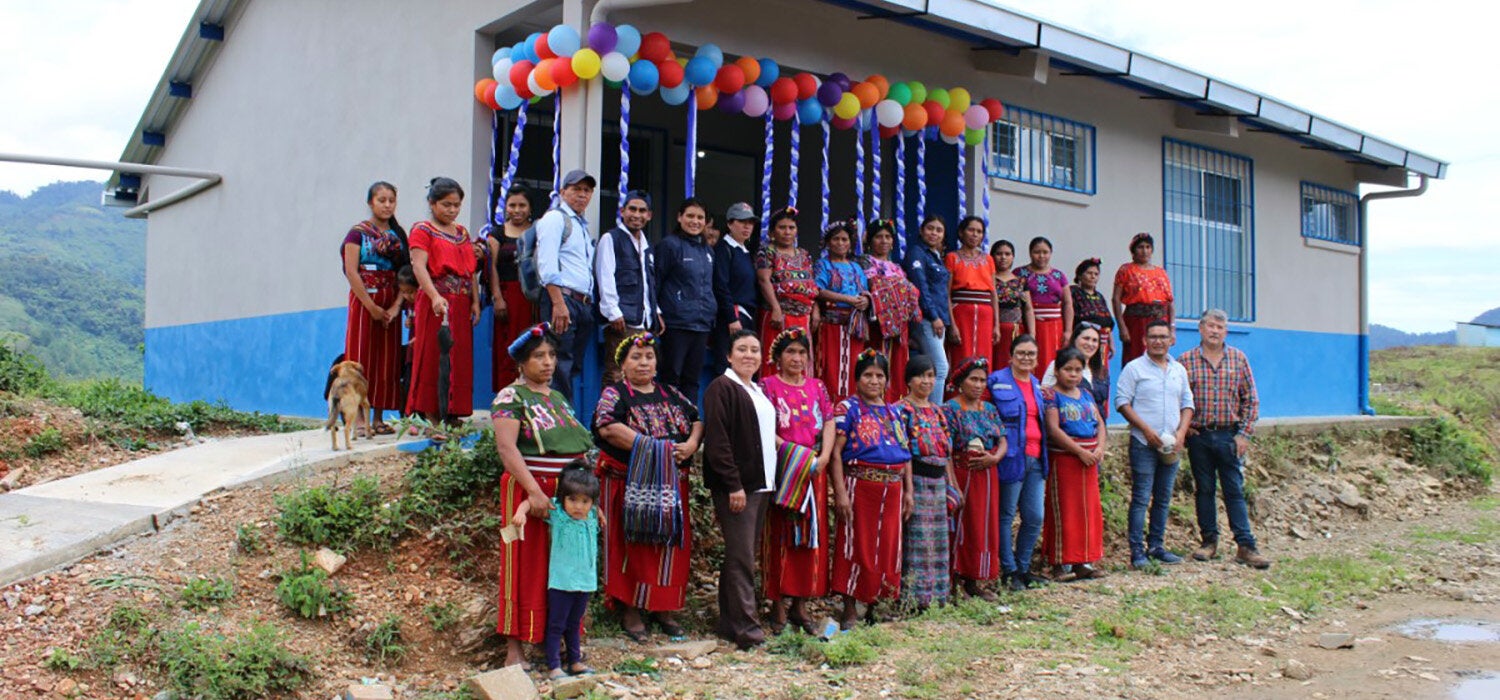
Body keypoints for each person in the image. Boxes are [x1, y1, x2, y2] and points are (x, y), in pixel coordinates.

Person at [492, 324, 594, 668]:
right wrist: (534, 492)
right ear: (522, 362)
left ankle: (561, 644)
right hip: (527, 490)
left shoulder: (558, 398)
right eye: (539, 356)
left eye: (551, 355)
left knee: (563, 569)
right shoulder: (510, 397)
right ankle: (514, 648)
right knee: (521, 562)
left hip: (566, 496)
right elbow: (507, 449)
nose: (548, 362)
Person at [592, 332, 703, 641]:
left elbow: (696, 419)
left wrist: (692, 443)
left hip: (671, 485)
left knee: (668, 545)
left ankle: (662, 607)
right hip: (631, 484)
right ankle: (629, 609)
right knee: (632, 545)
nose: (644, 362)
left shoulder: (670, 393)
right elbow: (608, 428)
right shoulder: (615, 394)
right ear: (622, 365)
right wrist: (655, 447)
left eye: (649, 357)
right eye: (636, 357)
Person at [702, 329, 777, 649]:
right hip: (739, 487)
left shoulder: (758, 391)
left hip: (762, 486)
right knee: (743, 557)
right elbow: (718, 443)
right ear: (729, 356)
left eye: (755, 350)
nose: (749, 355)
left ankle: (729, 623)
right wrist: (733, 485)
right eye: (742, 349)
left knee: (738, 555)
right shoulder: (722, 387)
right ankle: (748, 629)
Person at [1179, 309, 1270, 569]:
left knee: (1234, 490)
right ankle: (1209, 542)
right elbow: (1175, 398)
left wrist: (1244, 435)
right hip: (1200, 436)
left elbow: (1251, 400)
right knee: (1204, 490)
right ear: (1200, 329)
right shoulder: (1186, 361)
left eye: (1220, 327)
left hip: (1230, 436)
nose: (1215, 331)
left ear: (1226, 332)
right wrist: (1184, 429)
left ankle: (1246, 545)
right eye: (1210, 325)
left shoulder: (1238, 359)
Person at [759, 327, 836, 635]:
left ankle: (800, 604)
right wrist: (792, 453)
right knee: (780, 534)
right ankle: (777, 603)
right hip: (784, 469)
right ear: (778, 357)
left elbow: (829, 421)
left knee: (810, 537)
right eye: (790, 352)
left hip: (814, 470)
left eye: (802, 352)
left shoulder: (817, 387)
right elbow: (765, 426)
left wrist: (825, 457)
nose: (797, 358)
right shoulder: (767, 386)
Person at [830, 350, 912, 628]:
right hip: (860, 486)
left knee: (888, 547)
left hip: (892, 488)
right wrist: (840, 492)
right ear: (857, 379)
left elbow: (905, 453)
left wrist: (908, 491)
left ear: (888, 380)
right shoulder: (847, 409)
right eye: (868, 375)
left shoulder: (894, 412)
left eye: (879, 375)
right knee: (856, 545)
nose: (874, 381)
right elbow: (835, 454)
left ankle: (877, 603)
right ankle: (850, 607)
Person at [1115, 319, 1194, 570]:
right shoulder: (1134, 369)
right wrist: (1145, 430)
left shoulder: (1178, 370)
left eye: (1163, 336)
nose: (1159, 341)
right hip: (1143, 443)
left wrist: (1181, 432)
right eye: (1153, 337)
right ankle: (1137, 551)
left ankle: (1157, 546)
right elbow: (1122, 402)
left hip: (1172, 445)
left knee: (1162, 497)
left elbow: (1187, 403)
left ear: (1171, 340)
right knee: (1141, 496)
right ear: (1144, 341)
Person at [512, 462, 601, 679]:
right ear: (563, 498)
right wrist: (520, 513)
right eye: (572, 500)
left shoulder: (591, 515)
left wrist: (600, 513)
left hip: (585, 581)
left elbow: (597, 509)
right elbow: (529, 503)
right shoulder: (558, 514)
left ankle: (575, 661)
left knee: (574, 623)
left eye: (584, 501)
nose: (578, 506)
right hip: (561, 582)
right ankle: (554, 666)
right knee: (556, 624)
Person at [406, 177, 480, 426]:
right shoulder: (422, 230)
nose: (452, 210)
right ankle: (432, 414)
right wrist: (434, 296)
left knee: (459, 357)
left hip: (461, 302)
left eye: (456, 205)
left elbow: (470, 271)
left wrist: (475, 301)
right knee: (434, 355)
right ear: (432, 203)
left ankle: (453, 411)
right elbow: (419, 266)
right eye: (446, 205)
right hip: (436, 302)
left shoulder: (462, 233)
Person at [341, 181, 406, 434]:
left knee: (387, 359)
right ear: (371, 202)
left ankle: (378, 417)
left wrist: (396, 306)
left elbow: (405, 273)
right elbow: (351, 270)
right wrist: (370, 306)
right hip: (364, 300)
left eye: (391, 200)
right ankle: (358, 418)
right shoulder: (357, 233)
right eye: (382, 200)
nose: (387, 205)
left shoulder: (398, 236)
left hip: (391, 300)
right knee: (361, 356)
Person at [1041, 348, 1109, 581]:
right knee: (1064, 511)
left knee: (1088, 511)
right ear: (1057, 371)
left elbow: (1099, 423)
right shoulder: (1050, 396)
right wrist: (1080, 451)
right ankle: (1060, 563)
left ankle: (1084, 561)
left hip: (1089, 461)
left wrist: (1099, 448)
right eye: (1067, 369)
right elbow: (1053, 429)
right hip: (1066, 459)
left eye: (1078, 370)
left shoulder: (1086, 395)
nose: (1073, 374)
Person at [987, 335, 1048, 591]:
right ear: (1010, 355)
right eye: (1021, 353)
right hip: (1010, 457)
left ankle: (1024, 567)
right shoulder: (996, 381)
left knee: (1035, 516)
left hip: (1036, 457)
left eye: (1031, 354)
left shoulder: (1036, 385)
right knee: (1006, 514)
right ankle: (1009, 570)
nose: (1026, 358)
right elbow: (987, 415)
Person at [944, 357, 1008, 599]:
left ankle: (975, 581)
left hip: (987, 476)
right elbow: (947, 448)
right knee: (962, 525)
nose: (979, 385)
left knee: (982, 527)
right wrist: (952, 483)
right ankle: (954, 581)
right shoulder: (950, 409)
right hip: (962, 473)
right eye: (974, 379)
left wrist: (995, 458)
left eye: (983, 380)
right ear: (961, 381)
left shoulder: (989, 409)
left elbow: (1002, 438)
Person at [895, 354, 955, 610]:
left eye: (931, 375)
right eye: (921, 375)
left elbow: (947, 451)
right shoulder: (901, 410)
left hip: (938, 483)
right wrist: (907, 489)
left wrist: (953, 485)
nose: (926, 381)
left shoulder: (938, 411)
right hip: (916, 481)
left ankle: (937, 597)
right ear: (909, 379)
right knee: (917, 543)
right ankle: (913, 598)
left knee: (938, 543)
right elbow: (904, 450)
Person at [535, 169, 597, 400]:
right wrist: (558, 304)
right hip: (563, 300)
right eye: (576, 189)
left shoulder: (580, 225)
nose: (582, 195)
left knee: (570, 366)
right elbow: (547, 266)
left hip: (582, 303)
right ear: (562, 192)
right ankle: (558, 423)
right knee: (558, 364)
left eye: (587, 190)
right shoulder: (555, 219)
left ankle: (561, 416)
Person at [654, 199, 717, 401]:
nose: (695, 221)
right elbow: (656, 281)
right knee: (670, 377)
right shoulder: (669, 245)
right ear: (679, 217)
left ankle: (689, 425)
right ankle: (667, 425)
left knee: (692, 380)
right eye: (690, 216)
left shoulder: (708, 251)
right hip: (676, 323)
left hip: (701, 325)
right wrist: (656, 312)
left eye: (700, 217)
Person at [595, 190, 657, 387]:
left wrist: (656, 312)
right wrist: (613, 312)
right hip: (622, 320)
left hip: (643, 321)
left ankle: (631, 418)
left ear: (649, 215)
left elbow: (648, 284)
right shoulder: (611, 238)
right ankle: (608, 417)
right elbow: (605, 276)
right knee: (616, 374)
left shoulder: (646, 246)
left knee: (639, 377)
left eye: (642, 210)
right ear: (622, 211)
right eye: (632, 209)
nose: (636, 215)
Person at [861, 219, 921, 403]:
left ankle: (895, 407)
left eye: (888, 237)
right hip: (877, 327)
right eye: (879, 237)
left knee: (898, 367)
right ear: (870, 241)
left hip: (900, 329)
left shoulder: (898, 268)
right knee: (877, 363)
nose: (884, 241)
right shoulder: (864, 263)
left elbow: (910, 293)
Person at [756, 207, 819, 377]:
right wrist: (776, 308)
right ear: (772, 232)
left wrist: (815, 310)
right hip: (778, 316)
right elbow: (764, 280)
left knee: (800, 361)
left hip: (803, 318)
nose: (787, 232)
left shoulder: (804, 255)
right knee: (777, 359)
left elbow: (811, 286)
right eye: (782, 227)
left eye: (791, 228)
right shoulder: (767, 252)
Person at [487, 186, 537, 391]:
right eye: (512, 205)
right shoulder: (497, 234)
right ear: (505, 207)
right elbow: (491, 268)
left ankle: (530, 394)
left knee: (531, 346)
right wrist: (497, 297)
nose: (517, 210)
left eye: (522, 205)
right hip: (508, 298)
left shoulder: (538, 232)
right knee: (507, 348)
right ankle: (507, 398)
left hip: (532, 299)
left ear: (530, 208)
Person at [814, 220, 869, 401]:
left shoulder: (856, 267)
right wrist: (848, 299)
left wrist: (865, 301)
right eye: (836, 239)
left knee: (854, 365)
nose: (840, 243)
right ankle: (831, 409)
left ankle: (851, 407)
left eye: (844, 239)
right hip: (832, 325)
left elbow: (865, 291)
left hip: (854, 326)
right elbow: (818, 290)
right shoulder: (823, 265)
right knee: (831, 367)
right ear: (828, 242)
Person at [945, 217, 999, 382]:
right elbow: (947, 293)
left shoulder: (988, 259)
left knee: (984, 355)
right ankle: (956, 396)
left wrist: (996, 324)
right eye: (971, 230)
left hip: (985, 314)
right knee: (961, 353)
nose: (975, 235)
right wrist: (952, 324)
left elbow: (993, 293)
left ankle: (981, 397)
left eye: (979, 231)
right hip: (961, 312)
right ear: (961, 232)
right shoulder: (952, 258)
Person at [904, 215, 952, 394]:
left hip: (938, 318)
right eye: (930, 228)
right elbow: (920, 286)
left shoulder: (936, 256)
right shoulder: (917, 253)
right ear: (922, 230)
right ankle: (933, 413)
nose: (934, 233)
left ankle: (926, 409)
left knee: (929, 367)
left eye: (939, 230)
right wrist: (933, 316)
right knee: (940, 367)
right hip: (927, 317)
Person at [712, 202, 760, 377]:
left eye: (750, 222)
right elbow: (720, 286)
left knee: (745, 368)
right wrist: (731, 318)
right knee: (727, 368)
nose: (747, 227)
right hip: (731, 318)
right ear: (730, 224)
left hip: (747, 317)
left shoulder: (745, 251)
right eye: (742, 222)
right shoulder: (724, 249)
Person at [1112, 232, 1174, 366]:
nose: (1144, 251)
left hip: (1160, 320)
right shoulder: (1126, 270)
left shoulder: (1161, 272)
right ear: (1133, 250)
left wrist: (1172, 328)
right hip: (1136, 322)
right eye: (1140, 247)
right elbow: (1116, 299)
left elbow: (1170, 302)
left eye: (1148, 247)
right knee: (1135, 359)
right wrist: (1122, 327)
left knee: (1158, 356)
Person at [1015, 237, 1073, 373]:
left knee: (1052, 362)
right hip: (1030, 325)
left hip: (1055, 327)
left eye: (1045, 252)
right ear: (1030, 253)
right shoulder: (1019, 274)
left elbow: (1068, 304)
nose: (1041, 256)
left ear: (1051, 253)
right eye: (1037, 252)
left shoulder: (1059, 275)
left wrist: (1068, 330)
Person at [1042, 322, 1111, 420]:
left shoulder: (1102, 371)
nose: (1090, 344)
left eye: (1095, 340)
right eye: (1086, 338)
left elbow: (1102, 404)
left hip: (1098, 430)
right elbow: (1046, 396)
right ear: (1074, 340)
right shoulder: (1058, 364)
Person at [990, 240, 1034, 369]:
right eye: (999, 254)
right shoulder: (988, 279)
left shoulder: (1020, 281)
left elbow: (1028, 309)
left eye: (1007, 254)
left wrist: (1032, 334)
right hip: (993, 331)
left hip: (1015, 331)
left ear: (1013, 257)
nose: (1003, 257)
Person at [1070, 257, 1115, 372]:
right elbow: (1069, 318)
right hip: (1083, 343)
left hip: (1102, 344)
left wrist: (1111, 343)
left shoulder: (1099, 296)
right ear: (1079, 275)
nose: (1093, 276)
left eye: (1096, 274)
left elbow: (1108, 321)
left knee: (1100, 375)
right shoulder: (1073, 293)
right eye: (1089, 273)